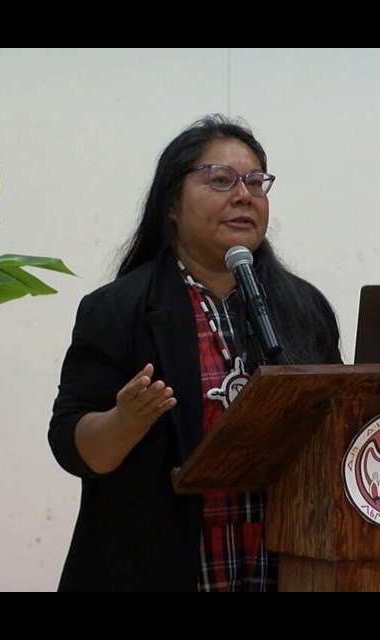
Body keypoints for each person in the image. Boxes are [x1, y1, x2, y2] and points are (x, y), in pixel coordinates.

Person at [48, 114, 342, 592]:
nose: (243, 195)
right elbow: (71, 444)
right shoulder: (119, 309)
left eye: (255, 183)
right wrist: (124, 422)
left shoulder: (303, 308)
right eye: (221, 180)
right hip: (159, 572)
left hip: (285, 572)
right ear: (171, 203)